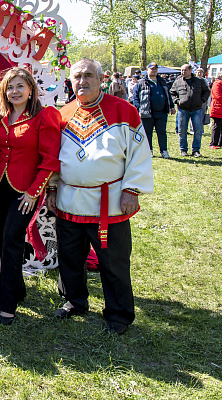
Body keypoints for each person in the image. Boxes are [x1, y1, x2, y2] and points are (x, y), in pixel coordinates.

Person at [46, 58, 154, 335]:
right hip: (69, 200)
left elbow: (139, 155)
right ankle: (74, 301)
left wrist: (131, 189)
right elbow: (54, 158)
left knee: (113, 261)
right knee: (70, 256)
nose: (82, 82)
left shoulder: (124, 111)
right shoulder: (62, 114)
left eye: (88, 76)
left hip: (110, 203)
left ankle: (118, 314)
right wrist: (53, 188)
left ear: (101, 78)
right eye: (77, 77)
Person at [0, 68, 61, 325]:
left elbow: (50, 159)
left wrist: (34, 192)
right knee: (2, 239)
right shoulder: (1, 116)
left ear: (31, 89)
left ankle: (6, 304)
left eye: (20, 86)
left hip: (25, 191)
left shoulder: (44, 116)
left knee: (12, 240)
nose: (14, 91)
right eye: (10, 87)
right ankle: (17, 289)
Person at [132, 62, 176, 158]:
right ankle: (149, 150)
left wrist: (172, 106)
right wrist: (138, 108)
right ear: (147, 70)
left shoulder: (162, 81)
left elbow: (168, 95)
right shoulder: (141, 82)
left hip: (161, 112)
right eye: (152, 69)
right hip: (146, 112)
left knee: (162, 132)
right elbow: (135, 97)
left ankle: (164, 151)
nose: (154, 70)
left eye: (156, 69)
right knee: (147, 132)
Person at [171, 64, 210, 157]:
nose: (183, 72)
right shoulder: (178, 81)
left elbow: (207, 91)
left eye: (185, 70)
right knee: (182, 130)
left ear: (190, 70)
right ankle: (183, 150)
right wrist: (177, 101)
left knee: (198, 130)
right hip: (183, 109)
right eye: (182, 70)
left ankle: (196, 150)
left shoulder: (199, 81)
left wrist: (202, 100)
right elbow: (172, 93)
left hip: (196, 109)